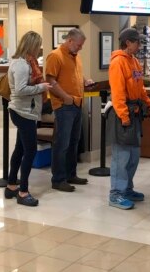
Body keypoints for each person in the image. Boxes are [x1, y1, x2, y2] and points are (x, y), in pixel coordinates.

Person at [107, 28, 150, 210]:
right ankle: (116, 194)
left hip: (135, 114)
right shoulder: (118, 62)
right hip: (123, 115)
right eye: (137, 42)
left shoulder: (134, 61)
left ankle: (127, 189)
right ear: (128, 42)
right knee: (122, 157)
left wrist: (149, 103)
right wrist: (124, 115)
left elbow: (140, 88)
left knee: (134, 156)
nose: (140, 45)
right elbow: (117, 92)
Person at [4, 31, 52, 206]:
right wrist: (41, 87)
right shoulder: (22, 65)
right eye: (38, 45)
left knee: (20, 149)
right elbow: (20, 89)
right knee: (30, 151)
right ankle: (23, 192)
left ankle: (10, 186)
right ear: (31, 45)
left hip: (24, 111)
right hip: (23, 112)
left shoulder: (24, 63)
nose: (40, 49)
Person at [45, 28, 93, 192]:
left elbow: (75, 75)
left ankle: (70, 174)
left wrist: (85, 81)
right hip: (64, 105)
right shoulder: (55, 56)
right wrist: (65, 97)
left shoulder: (76, 56)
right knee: (62, 143)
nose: (80, 48)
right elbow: (50, 80)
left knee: (74, 142)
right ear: (70, 40)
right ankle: (58, 179)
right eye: (79, 45)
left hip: (77, 103)